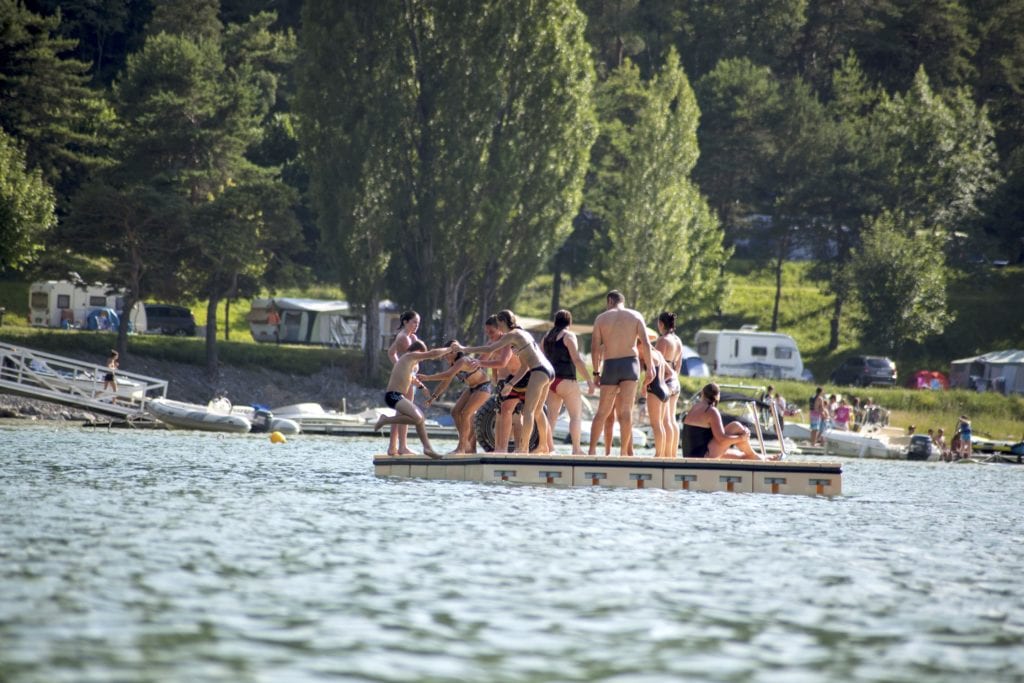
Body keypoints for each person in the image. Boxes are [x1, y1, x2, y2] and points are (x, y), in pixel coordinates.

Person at [455, 310, 554, 454]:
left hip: (539, 371)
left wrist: (464, 348)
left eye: (498, 324)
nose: (498, 328)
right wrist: (511, 384)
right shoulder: (523, 334)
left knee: (529, 411)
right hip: (548, 370)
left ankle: (523, 449)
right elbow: (525, 366)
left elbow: (490, 348)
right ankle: (543, 446)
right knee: (538, 411)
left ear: (502, 322)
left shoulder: (511, 335)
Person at [588, 290, 655, 456]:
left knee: (602, 412)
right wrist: (650, 366)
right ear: (622, 301)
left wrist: (596, 372)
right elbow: (646, 343)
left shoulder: (601, 318)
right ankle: (624, 452)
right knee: (626, 412)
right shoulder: (636, 315)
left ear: (610, 300)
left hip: (611, 364)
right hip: (630, 365)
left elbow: (595, 348)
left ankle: (591, 451)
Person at [374, 340, 451, 458]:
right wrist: (450, 349)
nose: (421, 359)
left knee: (420, 419)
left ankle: (427, 449)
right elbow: (432, 354)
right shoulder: (409, 356)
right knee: (418, 418)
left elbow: (412, 378)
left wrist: (422, 387)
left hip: (397, 397)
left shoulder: (410, 363)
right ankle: (385, 420)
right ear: (418, 351)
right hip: (393, 396)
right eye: (421, 355)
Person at [417, 343, 492, 455]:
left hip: (483, 387)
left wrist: (428, 378)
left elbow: (447, 375)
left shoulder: (462, 361)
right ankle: (468, 446)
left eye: (447, 353)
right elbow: (445, 382)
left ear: (455, 352)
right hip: (472, 388)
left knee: (465, 413)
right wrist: (433, 397)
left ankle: (461, 448)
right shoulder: (453, 364)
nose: (445, 355)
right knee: (455, 412)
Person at [541, 309, 595, 454]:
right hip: (567, 379)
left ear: (555, 321)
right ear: (569, 322)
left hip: (551, 381)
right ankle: (576, 449)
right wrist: (589, 380)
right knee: (576, 416)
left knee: (551, 417)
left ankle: (548, 447)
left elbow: (541, 358)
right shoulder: (569, 336)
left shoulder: (546, 337)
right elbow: (576, 359)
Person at [682, 383, 775, 460]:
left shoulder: (695, 407)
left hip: (691, 454)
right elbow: (721, 439)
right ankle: (757, 456)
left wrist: (739, 438)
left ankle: (760, 457)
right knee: (736, 426)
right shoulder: (711, 411)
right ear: (717, 396)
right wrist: (741, 438)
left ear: (702, 394)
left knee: (743, 456)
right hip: (702, 456)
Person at [386, 311, 421, 455]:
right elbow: (406, 360)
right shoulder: (403, 338)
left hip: (407, 376)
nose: (416, 325)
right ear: (405, 322)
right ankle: (402, 447)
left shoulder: (411, 337)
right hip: (406, 378)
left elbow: (390, 352)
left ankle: (392, 447)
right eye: (414, 322)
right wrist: (404, 370)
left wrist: (398, 366)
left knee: (400, 411)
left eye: (418, 323)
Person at [655, 312, 683, 456]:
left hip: (665, 380)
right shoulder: (678, 340)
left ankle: (664, 454)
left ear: (661, 324)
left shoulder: (662, 340)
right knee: (672, 419)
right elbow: (679, 365)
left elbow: (657, 363)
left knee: (665, 420)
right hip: (675, 381)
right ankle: (672, 454)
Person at [642, 344, 671, 457]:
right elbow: (670, 373)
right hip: (664, 389)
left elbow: (651, 374)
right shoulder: (658, 354)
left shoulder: (649, 355)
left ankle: (658, 454)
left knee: (656, 425)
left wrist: (644, 386)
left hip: (654, 390)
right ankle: (662, 453)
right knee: (661, 424)